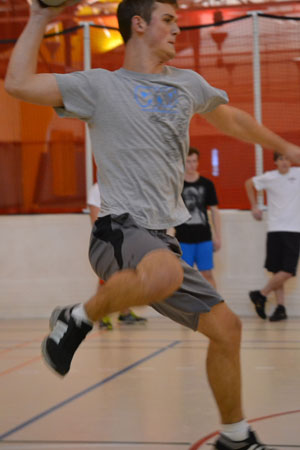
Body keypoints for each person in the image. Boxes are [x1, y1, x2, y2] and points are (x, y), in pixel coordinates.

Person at [5, 0, 300, 448]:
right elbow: (20, 84)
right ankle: (77, 317)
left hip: (161, 240)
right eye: (169, 20)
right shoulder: (99, 86)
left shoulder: (188, 83)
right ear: (138, 25)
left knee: (227, 328)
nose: (178, 29)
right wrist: (41, 17)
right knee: (162, 271)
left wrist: (286, 147)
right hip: (118, 229)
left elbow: (233, 119)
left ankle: (236, 437)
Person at [245, 152, 300, 322]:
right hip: (275, 229)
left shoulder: (297, 173)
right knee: (277, 270)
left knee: (288, 271)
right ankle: (280, 307)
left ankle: (260, 294)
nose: (285, 162)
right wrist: (254, 207)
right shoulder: (270, 177)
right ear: (276, 162)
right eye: (281, 159)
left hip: (293, 230)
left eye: (287, 158)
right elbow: (248, 183)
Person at [87, 182, 148, 328]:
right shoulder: (97, 189)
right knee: (105, 279)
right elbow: (95, 219)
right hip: (108, 241)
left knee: (125, 276)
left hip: (126, 239)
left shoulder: (123, 185)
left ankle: (124, 312)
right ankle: (100, 314)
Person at [175, 147, 221, 288]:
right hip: (183, 238)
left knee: (207, 274)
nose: (192, 165)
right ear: (183, 162)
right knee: (184, 277)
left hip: (204, 237)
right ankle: (188, 309)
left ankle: (214, 308)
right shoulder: (177, 185)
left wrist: (217, 236)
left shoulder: (207, 184)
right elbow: (171, 212)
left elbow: (214, 211)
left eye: (194, 161)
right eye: (188, 161)